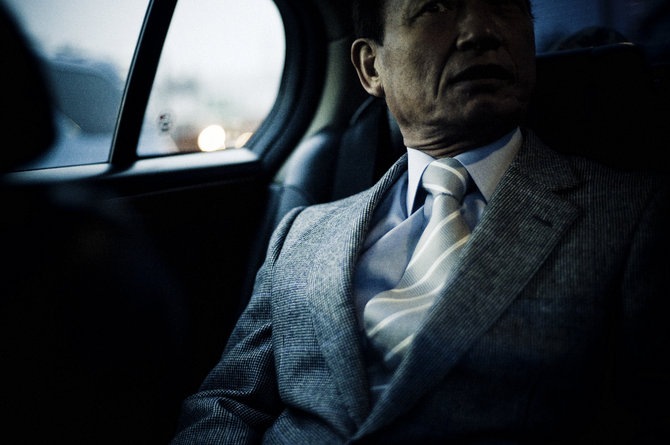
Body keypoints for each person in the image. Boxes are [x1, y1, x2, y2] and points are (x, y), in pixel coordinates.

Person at [171, 0, 669, 443]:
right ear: (371, 67)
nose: (481, 31)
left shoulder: (631, 212)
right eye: (436, 7)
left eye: (505, 5)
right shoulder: (302, 232)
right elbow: (228, 402)